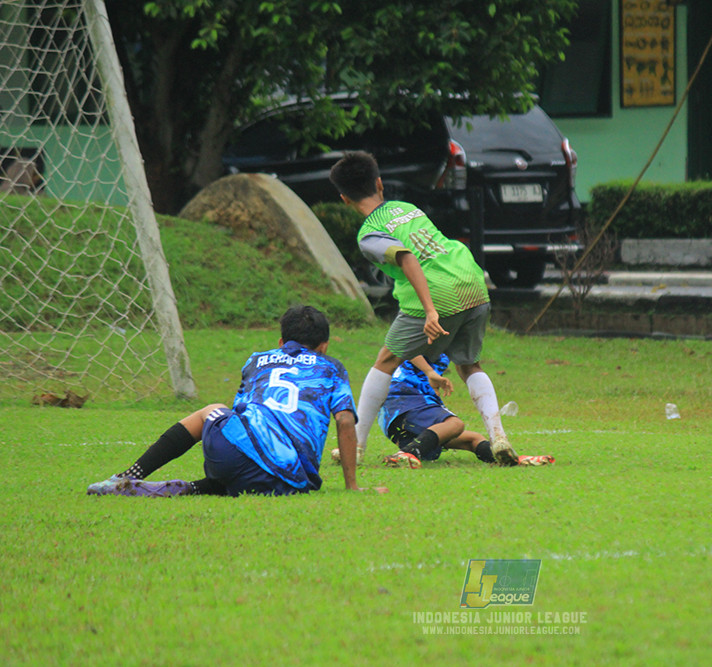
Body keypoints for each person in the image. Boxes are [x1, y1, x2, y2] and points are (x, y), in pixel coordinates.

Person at [329, 150, 518, 466]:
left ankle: (356, 447)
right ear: (379, 183)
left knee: (386, 360)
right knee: (469, 363)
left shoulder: (368, 234)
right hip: (471, 280)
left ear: (344, 199)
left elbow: (406, 257)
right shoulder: (407, 208)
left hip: (436, 293)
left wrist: (430, 310)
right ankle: (498, 437)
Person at [87, 305, 382, 497]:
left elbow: (242, 411)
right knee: (250, 471)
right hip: (291, 480)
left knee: (213, 411)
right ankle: (178, 489)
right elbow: (344, 420)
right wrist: (351, 487)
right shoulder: (331, 367)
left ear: (280, 342)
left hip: (231, 452)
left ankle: (128, 477)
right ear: (324, 346)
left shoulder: (257, 360)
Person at [374, 353, 554, 469]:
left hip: (405, 408)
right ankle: (407, 454)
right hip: (403, 395)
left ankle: (513, 460)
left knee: (473, 438)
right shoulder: (433, 323)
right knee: (455, 424)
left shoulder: (454, 338)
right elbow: (409, 346)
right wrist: (429, 372)